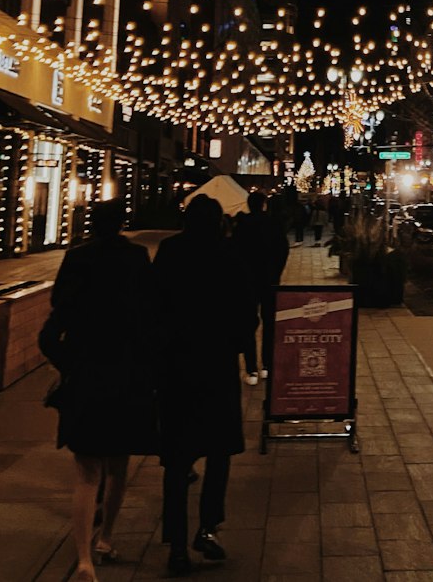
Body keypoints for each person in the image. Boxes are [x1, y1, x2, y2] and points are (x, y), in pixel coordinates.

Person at [38, 198, 156, 582]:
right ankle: (106, 537)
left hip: (87, 373)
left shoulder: (78, 258)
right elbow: (149, 311)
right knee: (118, 465)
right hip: (126, 373)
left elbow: (54, 320)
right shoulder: (137, 258)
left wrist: (69, 364)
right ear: (122, 223)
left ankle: (84, 558)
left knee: (87, 472)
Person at [153, 194, 256, 576]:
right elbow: (247, 313)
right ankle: (207, 528)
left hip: (177, 369)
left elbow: (154, 305)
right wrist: (241, 350)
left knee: (177, 462)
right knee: (218, 455)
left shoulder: (169, 252)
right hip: (216, 368)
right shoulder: (228, 256)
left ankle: (177, 547)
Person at [233, 191, 290, 384]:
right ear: (264, 204)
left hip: (247, 281)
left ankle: (251, 370)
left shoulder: (242, 224)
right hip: (269, 279)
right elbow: (283, 249)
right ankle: (267, 365)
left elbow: (236, 252)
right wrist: (276, 272)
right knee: (269, 323)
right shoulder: (273, 223)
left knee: (248, 323)